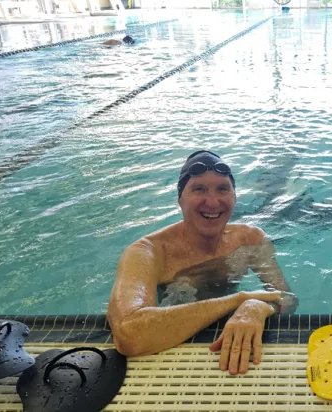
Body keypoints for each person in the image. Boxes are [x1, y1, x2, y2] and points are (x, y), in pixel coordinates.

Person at [107, 150, 296, 375]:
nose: (213, 202)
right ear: (180, 199)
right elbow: (129, 334)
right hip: (169, 348)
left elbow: (287, 299)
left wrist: (257, 306)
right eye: (199, 189)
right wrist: (238, 300)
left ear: (234, 197)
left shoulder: (250, 240)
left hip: (236, 343)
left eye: (223, 189)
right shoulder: (148, 252)